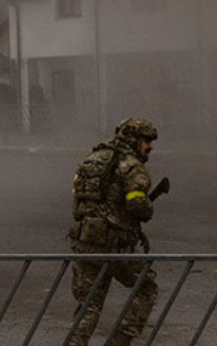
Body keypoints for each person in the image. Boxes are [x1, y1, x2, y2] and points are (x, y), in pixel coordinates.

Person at [67, 117, 160, 346]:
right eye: (146, 141)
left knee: (89, 305)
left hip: (85, 241)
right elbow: (137, 205)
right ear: (133, 139)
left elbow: (78, 199)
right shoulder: (131, 166)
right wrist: (148, 208)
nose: (150, 146)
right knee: (146, 288)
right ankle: (121, 340)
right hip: (114, 246)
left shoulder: (92, 160)